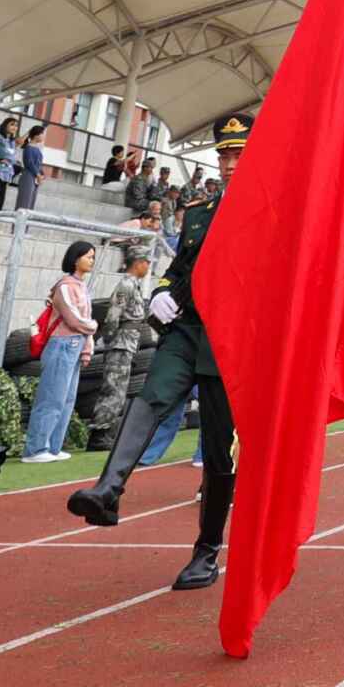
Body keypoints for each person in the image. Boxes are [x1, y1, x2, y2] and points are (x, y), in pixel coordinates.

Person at [67, 113, 254, 592]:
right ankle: (109, 489)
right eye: (225, 155)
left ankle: (207, 550)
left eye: (239, 153)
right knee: (150, 397)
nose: (231, 164)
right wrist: (162, 294)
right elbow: (180, 270)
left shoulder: (271, 212)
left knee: (217, 453)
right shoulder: (198, 212)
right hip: (187, 330)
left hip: (232, 340)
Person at [22, 241, 99, 462]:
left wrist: (87, 348)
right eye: (88, 256)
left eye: (93, 256)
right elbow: (74, 318)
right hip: (61, 344)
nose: (91, 260)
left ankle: (53, 446)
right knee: (51, 397)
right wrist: (92, 326)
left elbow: (82, 321)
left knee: (66, 399)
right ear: (76, 258)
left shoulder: (81, 286)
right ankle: (35, 449)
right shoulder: (65, 286)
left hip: (75, 345)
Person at [83, 245, 153, 447]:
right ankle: (99, 433)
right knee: (113, 389)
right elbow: (113, 317)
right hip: (121, 344)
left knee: (119, 390)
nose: (148, 267)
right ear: (139, 263)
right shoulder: (126, 286)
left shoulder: (134, 285)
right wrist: (111, 341)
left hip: (128, 342)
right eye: (147, 263)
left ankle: (106, 430)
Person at [14, 120, 51, 213]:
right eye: (42, 133)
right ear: (36, 135)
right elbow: (29, 163)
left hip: (34, 177)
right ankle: (18, 226)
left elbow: (38, 164)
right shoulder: (29, 148)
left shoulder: (37, 148)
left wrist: (41, 174)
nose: (44, 136)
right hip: (28, 176)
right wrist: (38, 174)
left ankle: (25, 227)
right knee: (24, 203)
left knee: (30, 203)